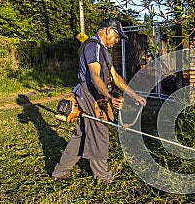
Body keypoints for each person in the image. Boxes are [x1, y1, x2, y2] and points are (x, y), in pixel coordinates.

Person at [51, 18, 146, 183]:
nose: (117, 41)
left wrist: (134, 95)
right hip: (89, 94)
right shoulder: (93, 47)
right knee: (99, 132)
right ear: (108, 30)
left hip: (93, 94)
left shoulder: (103, 50)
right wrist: (109, 97)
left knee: (81, 135)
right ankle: (103, 177)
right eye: (116, 36)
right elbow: (94, 76)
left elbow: (115, 77)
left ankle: (60, 171)